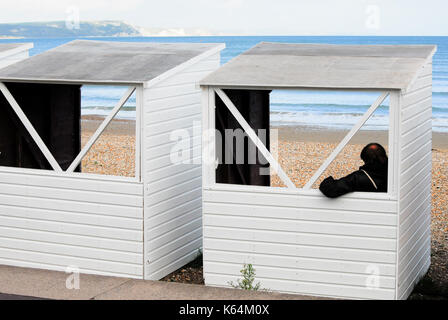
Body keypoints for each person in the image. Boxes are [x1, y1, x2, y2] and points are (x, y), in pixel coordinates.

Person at [319, 143, 388, 198]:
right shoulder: (394, 172)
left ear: (365, 160)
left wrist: (329, 180)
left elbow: (330, 189)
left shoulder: (359, 178)